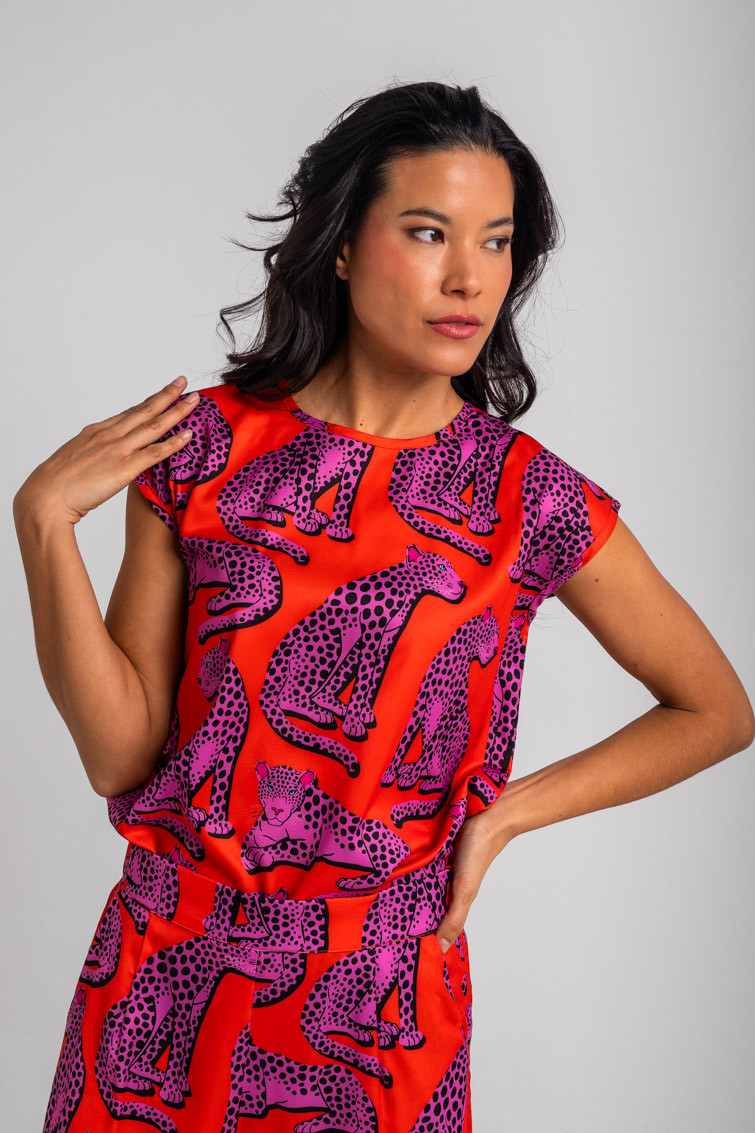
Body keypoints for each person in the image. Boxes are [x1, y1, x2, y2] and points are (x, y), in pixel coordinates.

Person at [13, 80, 753, 1133]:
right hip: (166, 968)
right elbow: (121, 756)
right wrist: (44, 523)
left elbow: (715, 708)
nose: (468, 277)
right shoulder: (203, 449)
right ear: (342, 247)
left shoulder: (527, 498)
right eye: (427, 231)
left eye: (496, 242)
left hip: (376, 998)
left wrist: (504, 815)